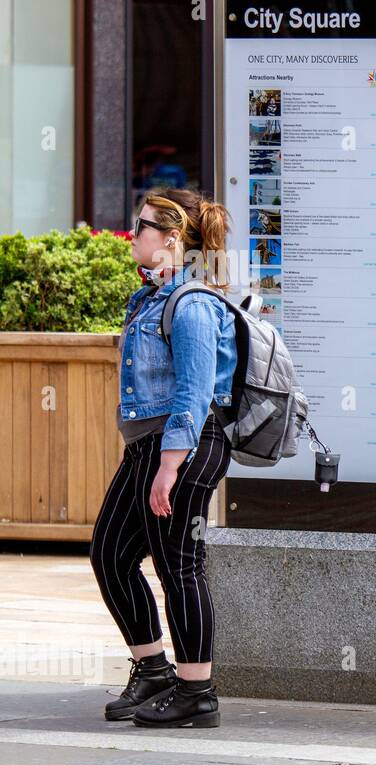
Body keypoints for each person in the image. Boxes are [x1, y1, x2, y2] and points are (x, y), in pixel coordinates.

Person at [89, 188, 238, 728]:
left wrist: (170, 466)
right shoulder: (151, 298)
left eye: (143, 225)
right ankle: (153, 670)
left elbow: (195, 392)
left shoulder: (193, 303)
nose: (135, 233)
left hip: (186, 446)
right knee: (110, 553)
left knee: (179, 567)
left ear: (171, 239)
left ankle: (198, 691)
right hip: (148, 447)